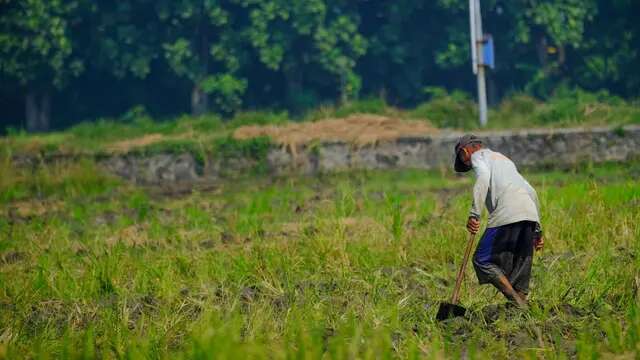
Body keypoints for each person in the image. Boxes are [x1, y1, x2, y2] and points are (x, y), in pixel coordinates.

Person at [454, 134, 544, 307]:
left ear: (465, 152)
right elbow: (531, 191)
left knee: (482, 260)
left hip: (507, 211)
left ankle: (517, 303)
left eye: (463, 160)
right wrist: (538, 231)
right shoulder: (504, 160)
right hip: (529, 212)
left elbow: (482, 178)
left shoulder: (478, 158)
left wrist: (474, 214)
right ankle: (522, 310)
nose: (467, 164)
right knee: (519, 261)